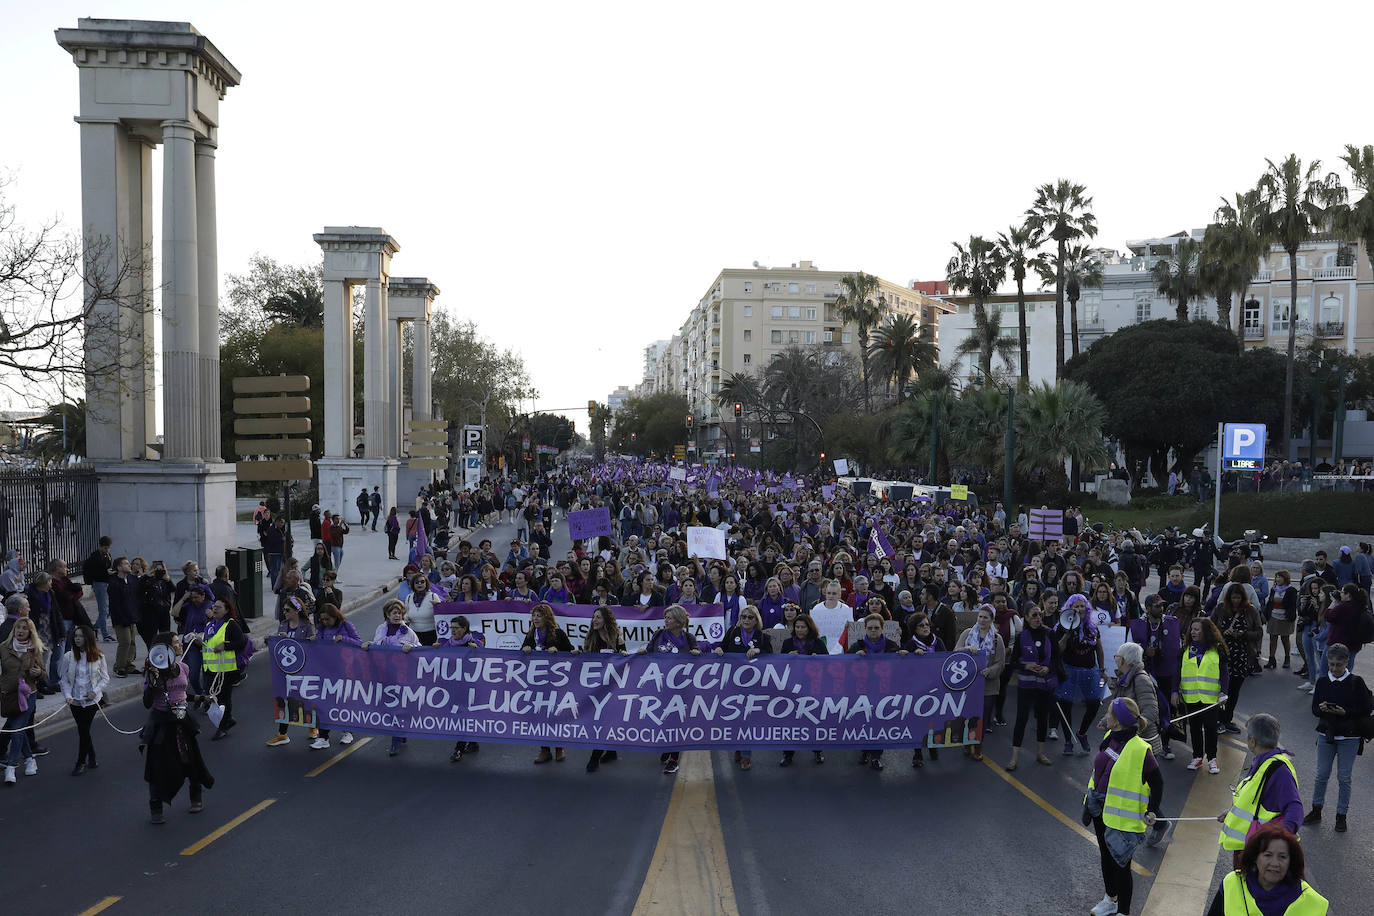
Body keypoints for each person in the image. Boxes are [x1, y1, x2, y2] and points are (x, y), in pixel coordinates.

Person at [1084, 696, 1163, 916]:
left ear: (1117, 719)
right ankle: (1110, 899)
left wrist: (1152, 809)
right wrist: (1088, 804)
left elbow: (1158, 783)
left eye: (1109, 713)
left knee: (1120, 865)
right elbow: (1098, 773)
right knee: (1106, 858)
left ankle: (1123, 911)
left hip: (1123, 818)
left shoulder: (1141, 750)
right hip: (1101, 811)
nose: (1106, 716)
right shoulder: (1109, 736)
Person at [142, 632, 213, 823]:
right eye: (175, 643)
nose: (179, 645)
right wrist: (153, 682)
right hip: (162, 723)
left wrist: (201, 698)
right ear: (165, 649)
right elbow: (147, 703)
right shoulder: (153, 672)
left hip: (182, 722)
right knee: (157, 766)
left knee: (191, 759)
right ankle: (156, 807)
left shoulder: (184, 668)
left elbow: (182, 694)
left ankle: (196, 796)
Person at [1304, 642, 1371, 833]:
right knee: (1321, 775)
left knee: (1344, 777)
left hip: (1349, 737)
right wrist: (1322, 709)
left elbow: (1366, 709)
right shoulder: (1323, 682)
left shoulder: (1357, 682)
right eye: (1331, 664)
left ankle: (1341, 816)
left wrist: (1345, 712)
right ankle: (1316, 810)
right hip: (1326, 734)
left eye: (1338, 665)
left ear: (1347, 662)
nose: (1334, 669)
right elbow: (1314, 709)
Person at [1205, 823, 1328, 916]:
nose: (1275, 863)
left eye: (1282, 857)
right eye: (1268, 855)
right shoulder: (1232, 885)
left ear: (1291, 861)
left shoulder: (1312, 902)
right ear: (1255, 857)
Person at [641, 605, 701, 775]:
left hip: (682, 688)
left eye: (669, 618)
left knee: (676, 721)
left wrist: (697, 653)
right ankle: (667, 746)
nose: (666, 620)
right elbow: (649, 651)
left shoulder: (689, 638)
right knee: (664, 718)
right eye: (665, 617)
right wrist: (642, 652)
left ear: (679, 621)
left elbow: (699, 658)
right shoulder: (659, 635)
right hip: (661, 685)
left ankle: (673, 759)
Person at [715, 606, 773, 770]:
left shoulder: (762, 637)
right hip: (733, 682)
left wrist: (758, 650)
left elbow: (771, 654)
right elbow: (722, 647)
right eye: (743, 616)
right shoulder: (732, 633)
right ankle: (738, 746)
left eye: (750, 617)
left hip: (754, 684)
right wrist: (719, 649)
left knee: (747, 718)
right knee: (735, 717)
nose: (746, 620)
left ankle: (746, 755)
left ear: (756, 620)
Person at [361, 600, 421, 757]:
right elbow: (377, 645)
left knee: (398, 706)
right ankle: (401, 730)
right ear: (387, 615)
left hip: (401, 675)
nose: (397, 616)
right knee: (387, 705)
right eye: (394, 613)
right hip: (384, 673)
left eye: (400, 613)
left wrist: (412, 648)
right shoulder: (381, 629)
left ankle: (396, 739)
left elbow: (419, 648)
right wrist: (369, 645)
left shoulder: (408, 632)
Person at [1128, 594, 1181, 760]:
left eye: (1162, 605)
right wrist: (1145, 653)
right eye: (1157, 606)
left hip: (1166, 673)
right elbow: (1130, 652)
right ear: (1148, 608)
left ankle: (1165, 744)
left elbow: (1178, 650)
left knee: (1166, 709)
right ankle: (1143, 743)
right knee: (1147, 710)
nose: (1161, 609)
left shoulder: (1172, 623)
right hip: (1145, 675)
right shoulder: (1137, 626)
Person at [850, 612, 906, 769]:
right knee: (863, 722)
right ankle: (865, 750)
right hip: (862, 692)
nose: (873, 631)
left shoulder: (892, 647)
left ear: (882, 629)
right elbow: (845, 669)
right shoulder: (857, 646)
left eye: (876, 628)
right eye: (870, 628)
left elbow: (900, 670)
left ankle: (875, 756)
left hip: (884, 692)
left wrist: (903, 656)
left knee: (879, 723)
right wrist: (854, 658)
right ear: (865, 629)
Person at [1055, 593, 1106, 756]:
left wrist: (1102, 670)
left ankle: (1082, 732)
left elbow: (1099, 649)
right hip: (1069, 671)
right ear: (1070, 609)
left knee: (1095, 702)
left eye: (1082, 606)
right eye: (1075, 606)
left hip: (1090, 671)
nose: (1079, 609)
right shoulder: (1062, 626)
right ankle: (1068, 741)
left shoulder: (1092, 627)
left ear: (1087, 608)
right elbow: (1058, 650)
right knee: (1066, 705)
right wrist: (1067, 634)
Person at [522, 603, 573, 764]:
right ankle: (544, 750)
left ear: (547, 617)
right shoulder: (531, 634)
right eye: (534, 616)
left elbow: (571, 651)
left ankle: (559, 747)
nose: (535, 619)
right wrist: (525, 649)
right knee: (540, 714)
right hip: (537, 682)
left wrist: (558, 652)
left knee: (556, 714)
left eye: (539, 615)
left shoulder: (558, 633)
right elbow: (522, 652)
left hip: (555, 682)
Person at [1009, 603, 1057, 771]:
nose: (1038, 618)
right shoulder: (1021, 636)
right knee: (1021, 718)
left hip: (1044, 684)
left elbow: (1057, 659)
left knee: (1042, 718)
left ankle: (1040, 753)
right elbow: (1013, 662)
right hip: (1026, 684)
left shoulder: (1050, 634)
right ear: (1027, 618)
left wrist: (1048, 668)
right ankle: (1014, 757)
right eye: (1034, 615)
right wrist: (1025, 666)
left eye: (1039, 615)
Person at [1178, 616, 1228, 774]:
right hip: (1191, 696)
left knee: (1211, 727)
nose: (1193, 632)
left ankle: (1212, 759)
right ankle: (1197, 757)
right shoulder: (1185, 649)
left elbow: (1224, 673)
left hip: (1210, 698)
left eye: (1197, 629)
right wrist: (1175, 691)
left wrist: (1224, 692)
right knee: (1194, 728)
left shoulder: (1217, 648)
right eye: (1192, 629)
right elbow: (1178, 671)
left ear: (1206, 631)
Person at [956, 604, 1006, 762]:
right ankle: (966, 742)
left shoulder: (997, 639)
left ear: (991, 620)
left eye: (985, 617)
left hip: (988, 686)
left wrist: (989, 671)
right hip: (968, 684)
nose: (982, 620)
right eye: (980, 617)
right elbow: (955, 652)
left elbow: (1000, 662)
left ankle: (978, 746)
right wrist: (967, 649)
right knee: (966, 715)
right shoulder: (967, 633)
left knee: (982, 718)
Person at [266, 598, 316, 748]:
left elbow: (311, 647)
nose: (284, 612)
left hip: (303, 670)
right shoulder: (283, 625)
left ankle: (313, 726)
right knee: (284, 700)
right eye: (283, 610)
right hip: (285, 671)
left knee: (305, 700)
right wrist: (271, 640)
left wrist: (290, 640)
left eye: (287, 610)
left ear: (296, 610)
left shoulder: (307, 626)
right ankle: (282, 734)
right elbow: (279, 647)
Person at [1213, 582, 1262, 734]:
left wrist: (1243, 634)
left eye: (1238, 598)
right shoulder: (1220, 609)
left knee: (1234, 691)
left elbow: (1259, 632)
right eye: (1233, 598)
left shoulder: (1250, 611)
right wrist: (1223, 632)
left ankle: (1227, 719)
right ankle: (1218, 719)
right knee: (1220, 689)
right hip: (1222, 655)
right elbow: (1210, 627)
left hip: (1241, 656)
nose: (1235, 601)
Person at [1, 617, 45, 784]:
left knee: (17, 729)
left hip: (28, 695)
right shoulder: (4, 648)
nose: (20, 630)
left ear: (30, 632)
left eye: (24, 628)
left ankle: (11, 767)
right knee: (18, 728)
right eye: (18, 627)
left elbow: (44, 673)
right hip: (9, 695)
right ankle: (29, 759)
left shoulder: (35, 649)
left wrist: (38, 673)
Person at [779, 613, 827, 767]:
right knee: (791, 722)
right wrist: (787, 657)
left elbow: (829, 664)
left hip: (813, 687)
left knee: (813, 721)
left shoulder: (818, 643)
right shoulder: (788, 643)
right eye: (797, 627)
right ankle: (788, 754)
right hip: (792, 688)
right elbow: (779, 665)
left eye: (803, 627)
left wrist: (819, 659)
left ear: (809, 628)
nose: (799, 630)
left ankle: (817, 751)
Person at [582, 607, 626, 772]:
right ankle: (611, 751)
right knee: (599, 720)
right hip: (596, 687)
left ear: (606, 620)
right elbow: (586, 659)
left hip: (612, 687)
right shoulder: (591, 637)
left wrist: (623, 653)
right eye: (594, 617)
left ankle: (595, 757)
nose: (595, 620)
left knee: (604, 720)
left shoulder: (617, 638)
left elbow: (624, 660)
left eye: (598, 617)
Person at [61, 624, 108, 774]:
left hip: (91, 701)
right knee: (84, 731)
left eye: (81, 636)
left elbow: (105, 678)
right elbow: (64, 680)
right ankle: (92, 758)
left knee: (83, 730)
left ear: (88, 638)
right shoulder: (68, 657)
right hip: (74, 701)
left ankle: (81, 762)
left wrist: (95, 691)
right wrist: (68, 696)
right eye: (75, 636)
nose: (77, 639)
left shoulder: (99, 656)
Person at [202, 598, 247, 742]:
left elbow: (241, 642)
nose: (215, 609)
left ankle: (223, 726)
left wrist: (225, 646)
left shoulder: (231, 624)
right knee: (214, 697)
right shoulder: (210, 624)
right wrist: (197, 640)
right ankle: (227, 719)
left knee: (223, 698)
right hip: (211, 669)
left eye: (219, 607)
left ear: (226, 610)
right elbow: (208, 644)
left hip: (226, 670)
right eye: (214, 606)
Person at [108, 556, 141, 677]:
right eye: (126, 564)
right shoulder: (114, 583)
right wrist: (121, 618)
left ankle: (128, 664)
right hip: (121, 618)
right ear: (119, 567)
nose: (129, 565)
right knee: (125, 641)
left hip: (131, 616)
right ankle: (119, 666)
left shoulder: (131, 579)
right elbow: (115, 604)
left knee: (132, 642)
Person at [82, 535, 114, 642]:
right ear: (100, 546)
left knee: (108, 610)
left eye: (108, 548)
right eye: (105, 548)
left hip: (107, 583)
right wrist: (106, 572)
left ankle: (94, 628)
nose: (107, 550)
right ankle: (105, 635)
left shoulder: (107, 556)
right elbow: (94, 572)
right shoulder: (94, 557)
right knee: (103, 610)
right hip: (99, 584)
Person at [1264, 569, 1297, 670]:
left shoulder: (1291, 590)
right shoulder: (1274, 589)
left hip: (1285, 618)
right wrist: (1266, 615)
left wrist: (1281, 601)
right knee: (1272, 638)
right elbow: (1270, 603)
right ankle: (1271, 659)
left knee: (1285, 638)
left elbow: (1292, 604)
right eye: (1277, 577)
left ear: (1285, 578)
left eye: (1280, 577)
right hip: (1274, 616)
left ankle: (1287, 659)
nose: (1277, 579)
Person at [809, 580, 852, 654]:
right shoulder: (817, 608)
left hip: (840, 650)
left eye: (834, 593)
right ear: (825, 594)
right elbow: (812, 630)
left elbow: (851, 631)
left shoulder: (845, 609)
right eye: (829, 593)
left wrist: (848, 626)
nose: (831, 596)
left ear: (839, 595)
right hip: (821, 649)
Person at [406, 574, 439, 645]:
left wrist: (437, 606)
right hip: (413, 635)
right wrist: (406, 618)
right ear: (413, 584)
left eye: (422, 581)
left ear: (426, 583)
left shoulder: (433, 596)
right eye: (416, 582)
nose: (419, 584)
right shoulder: (409, 597)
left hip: (431, 635)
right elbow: (406, 613)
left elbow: (440, 615)